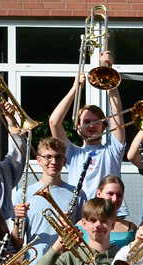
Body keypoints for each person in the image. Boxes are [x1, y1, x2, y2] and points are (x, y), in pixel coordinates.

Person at [49, 51, 126, 204]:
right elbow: (54, 122)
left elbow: (116, 112)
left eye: (96, 121)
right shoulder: (72, 152)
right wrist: (74, 89)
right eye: (86, 121)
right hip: (80, 214)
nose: (91, 125)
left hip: (110, 212)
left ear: (104, 126)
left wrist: (109, 73)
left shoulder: (112, 150)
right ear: (78, 126)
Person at [14, 136, 84, 249]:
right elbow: (17, 244)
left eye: (58, 157)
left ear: (64, 160)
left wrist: (72, 229)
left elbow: (85, 236)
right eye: (48, 157)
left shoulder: (78, 194)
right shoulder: (23, 194)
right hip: (35, 264)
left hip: (66, 263)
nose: (54, 162)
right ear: (38, 160)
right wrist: (17, 219)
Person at [96, 175, 138, 249]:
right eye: (110, 194)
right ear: (98, 194)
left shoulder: (130, 228)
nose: (115, 199)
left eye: (119, 195)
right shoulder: (83, 225)